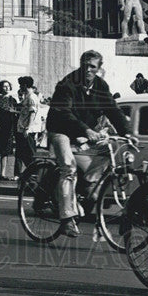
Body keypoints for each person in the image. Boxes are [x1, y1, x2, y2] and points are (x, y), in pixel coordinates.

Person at [46, 49, 133, 238]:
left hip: (85, 132)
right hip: (61, 129)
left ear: (99, 68)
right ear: (80, 64)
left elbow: (113, 109)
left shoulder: (101, 86)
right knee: (68, 168)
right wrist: (86, 130)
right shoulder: (67, 84)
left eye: (92, 67)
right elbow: (64, 113)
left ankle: (86, 188)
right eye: (85, 65)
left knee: (111, 152)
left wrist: (127, 132)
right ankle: (67, 219)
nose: (88, 70)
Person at [0, 79, 18, 181]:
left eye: (8, 86)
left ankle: (3, 174)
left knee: (5, 152)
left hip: (8, 127)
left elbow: (16, 113)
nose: (6, 88)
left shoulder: (13, 100)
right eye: (4, 86)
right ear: (0, 88)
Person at [15, 76, 39, 175]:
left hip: (27, 129)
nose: (20, 87)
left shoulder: (32, 97)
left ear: (25, 85)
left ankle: (34, 173)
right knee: (22, 153)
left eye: (21, 85)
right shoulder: (27, 97)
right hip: (22, 128)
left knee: (29, 153)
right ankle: (29, 172)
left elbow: (32, 113)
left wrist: (27, 128)